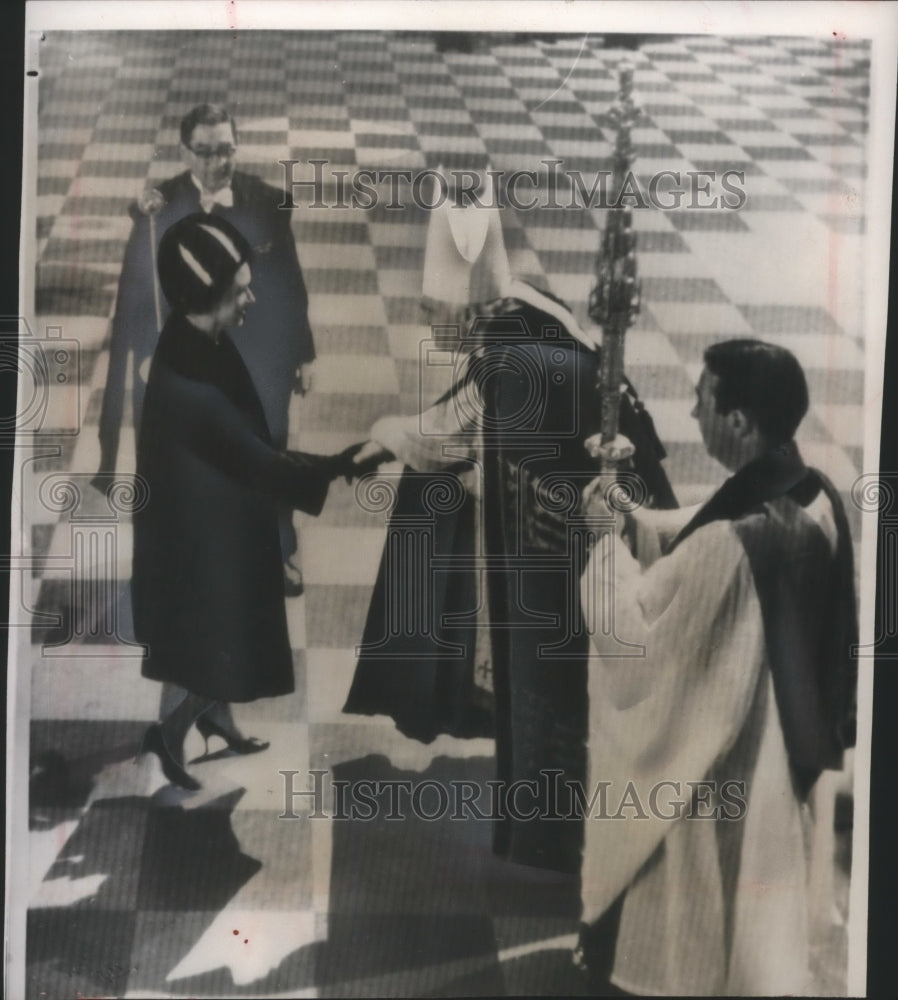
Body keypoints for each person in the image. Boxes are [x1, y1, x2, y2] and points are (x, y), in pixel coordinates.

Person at [343, 180, 677, 873]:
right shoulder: (517, 310)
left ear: (474, 312)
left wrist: (384, 434)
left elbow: (447, 438)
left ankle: (562, 825)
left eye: (435, 311)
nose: (427, 322)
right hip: (578, 488)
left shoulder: (513, 358)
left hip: (593, 514)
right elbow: (467, 421)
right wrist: (394, 441)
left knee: (566, 668)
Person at [575, 339, 858, 995]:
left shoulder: (731, 547)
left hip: (715, 763)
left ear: (738, 421)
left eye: (702, 397)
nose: (692, 409)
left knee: (695, 932)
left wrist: (604, 546)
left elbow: (635, 647)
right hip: (781, 743)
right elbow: (712, 527)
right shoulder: (816, 497)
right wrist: (636, 521)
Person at [132, 213, 363, 791]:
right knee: (221, 646)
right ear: (206, 294)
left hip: (216, 525)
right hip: (197, 545)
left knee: (227, 638)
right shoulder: (188, 389)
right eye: (239, 290)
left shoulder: (197, 339)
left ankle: (217, 721)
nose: (251, 298)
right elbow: (260, 462)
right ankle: (169, 734)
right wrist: (348, 461)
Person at [97, 103, 316, 594]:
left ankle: (276, 554)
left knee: (265, 451)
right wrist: (139, 363)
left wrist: (303, 353)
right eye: (206, 151)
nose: (219, 162)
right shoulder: (159, 206)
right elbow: (136, 291)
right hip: (181, 362)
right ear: (185, 151)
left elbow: (288, 283)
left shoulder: (267, 203)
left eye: (227, 150)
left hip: (255, 358)